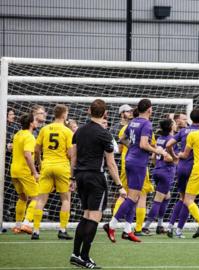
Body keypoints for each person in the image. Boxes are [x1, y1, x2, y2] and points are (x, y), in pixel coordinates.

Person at [69, 99, 125, 268]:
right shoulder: (104, 133)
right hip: (95, 177)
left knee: (86, 215)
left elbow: (74, 157)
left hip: (80, 176)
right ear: (105, 113)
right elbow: (111, 163)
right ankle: (85, 257)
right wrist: (120, 186)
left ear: (88, 111)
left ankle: (76, 254)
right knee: (94, 217)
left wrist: (72, 179)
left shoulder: (79, 131)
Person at [103, 99, 164, 243]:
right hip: (138, 163)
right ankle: (111, 225)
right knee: (132, 197)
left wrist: (132, 147)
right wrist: (157, 150)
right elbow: (144, 144)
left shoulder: (133, 122)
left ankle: (127, 230)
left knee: (133, 196)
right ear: (149, 109)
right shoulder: (147, 124)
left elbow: (122, 139)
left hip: (129, 160)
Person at [111, 108, 156, 237]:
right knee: (141, 196)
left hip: (127, 162)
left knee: (123, 194)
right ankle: (138, 227)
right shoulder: (146, 127)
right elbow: (150, 145)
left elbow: (120, 147)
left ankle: (124, 227)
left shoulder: (126, 127)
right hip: (139, 163)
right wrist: (158, 152)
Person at [32, 104, 74, 240]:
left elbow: (37, 149)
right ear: (63, 115)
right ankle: (62, 230)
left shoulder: (44, 129)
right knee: (66, 199)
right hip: (62, 167)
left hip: (47, 165)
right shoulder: (67, 131)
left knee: (41, 199)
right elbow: (70, 153)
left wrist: (39, 162)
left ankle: (36, 230)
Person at [165, 109, 199, 238]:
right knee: (189, 200)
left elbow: (168, 144)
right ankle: (179, 230)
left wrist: (175, 157)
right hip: (194, 168)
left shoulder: (183, 131)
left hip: (181, 167)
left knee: (182, 198)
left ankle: (170, 226)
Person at [142, 119, 175, 235]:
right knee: (158, 200)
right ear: (171, 127)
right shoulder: (171, 140)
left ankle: (160, 225)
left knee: (166, 197)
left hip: (157, 170)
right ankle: (145, 227)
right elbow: (168, 158)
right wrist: (175, 159)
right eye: (174, 124)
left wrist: (158, 166)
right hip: (166, 172)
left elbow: (153, 156)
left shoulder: (160, 139)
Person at [10, 113, 39, 235]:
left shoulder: (17, 134)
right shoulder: (29, 137)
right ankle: (26, 223)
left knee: (22, 198)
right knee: (37, 197)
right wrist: (35, 172)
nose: (37, 122)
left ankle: (17, 226)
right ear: (31, 123)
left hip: (14, 170)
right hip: (24, 171)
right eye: (35, 121)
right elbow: (27, 155)